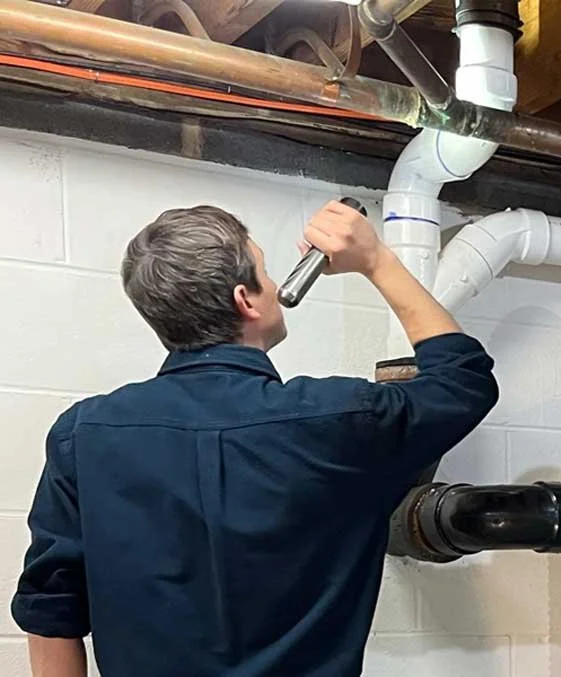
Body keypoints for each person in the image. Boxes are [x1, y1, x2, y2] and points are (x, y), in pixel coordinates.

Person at [11, 200, 499, 677]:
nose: (272, 285)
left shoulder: (84, 435)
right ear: (245, 299)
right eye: (265, 273)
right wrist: (375, 259)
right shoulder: (336, 421)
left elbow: (52, 606)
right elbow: (464, 379)